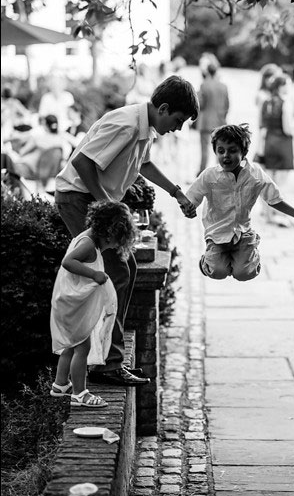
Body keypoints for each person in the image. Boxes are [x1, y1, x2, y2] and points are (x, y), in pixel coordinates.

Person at [55, 75, 199, 387]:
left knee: (127, 268)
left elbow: (144, 166)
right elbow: (80, 161)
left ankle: (105, 353)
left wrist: (177, 192)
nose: (178, 128)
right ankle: (106, 364)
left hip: (91, 201)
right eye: (178, 120)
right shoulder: (126, 124)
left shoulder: (145, 129)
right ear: (162, 108)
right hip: (78, 199)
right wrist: (106, 203)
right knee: (116, 270)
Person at [186, 124, 294, 281]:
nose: (226, 156)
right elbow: (192, 197)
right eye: (221, 151)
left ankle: (250, 250)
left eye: (232, 150)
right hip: (217, 234)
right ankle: (208, 261)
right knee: (218, 272)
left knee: (244, 274)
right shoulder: (209, 176)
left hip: (242, 233)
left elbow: (274, 198)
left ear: (243, 152)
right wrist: (188, 208)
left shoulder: (255, 174)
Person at [49, 200, 135, 408]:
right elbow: (68, 262)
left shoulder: (91, 237)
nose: (113, 247)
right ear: (109, 232)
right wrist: (94, 274)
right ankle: (80, 394)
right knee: (82, 346)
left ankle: (60, 385)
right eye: (114, 242)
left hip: (68, 302)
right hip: (71, 305)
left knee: (71, 344)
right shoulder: (87, 243)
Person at [258, 74, 294, 225]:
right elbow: (288, 128)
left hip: (269, 142)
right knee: (281, 183)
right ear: (281, 86)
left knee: (269, 182)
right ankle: (279, 214)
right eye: (288, 84)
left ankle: (268, 214)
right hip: (282, 144)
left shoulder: (266, 101)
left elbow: (262, 124)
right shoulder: (286, 103)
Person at [197, 61, 230, 174]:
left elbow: (200, 104)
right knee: (220, 149)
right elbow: (227, 105)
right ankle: (221, 171)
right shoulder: (223, 86)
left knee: (204, 150)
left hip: (205, 121)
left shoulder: (204, 85)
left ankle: (202, 172)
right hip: (220, 121)